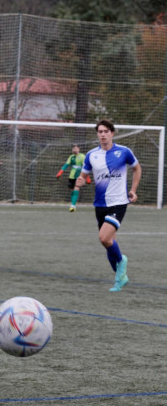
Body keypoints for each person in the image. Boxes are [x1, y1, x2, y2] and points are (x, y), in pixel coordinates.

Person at [76, 119, 142, 292]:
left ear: (112, 133)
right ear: (97, 134)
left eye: (106, 131)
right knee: (109, 243)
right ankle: (120, 277)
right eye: (100, 132)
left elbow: (137, 168)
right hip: (100, 204)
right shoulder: (92, 155)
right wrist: (80, 181)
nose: (103, 135)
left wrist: (133, 190)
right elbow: (84, 175)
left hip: (118, 203)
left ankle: (122, 262)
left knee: (104, 238)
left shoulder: (124, 152)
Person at [56, 144, 89, 211]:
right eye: (73, 148)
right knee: (72, 191)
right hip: (71, 176)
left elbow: (85, 167)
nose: (74, 149)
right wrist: (60, 173)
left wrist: (87, 177)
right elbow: (66, 165)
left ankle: (73, 206)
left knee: (76, 189)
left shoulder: (82, 156)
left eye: (76, 148)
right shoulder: (71, 157)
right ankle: (73, 204)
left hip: (79, 176)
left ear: (79, 149)